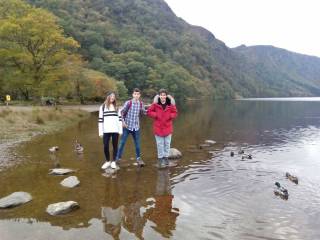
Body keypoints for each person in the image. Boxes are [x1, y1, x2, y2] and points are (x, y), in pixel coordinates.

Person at [115, 88, 146, 167]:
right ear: (133, 95)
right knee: (122, 143)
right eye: (135, 94)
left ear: (139, 95)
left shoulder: (141, 104)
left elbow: (144, 112)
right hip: (127, 126)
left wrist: (154, 111)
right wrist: (122, 122)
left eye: (138, 94)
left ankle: (139, 159)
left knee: (137, 144)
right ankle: (118, 158)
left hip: (136, 127)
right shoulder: (128, 103)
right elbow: (121, 112)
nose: (136, 95)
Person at [147, 89, 178, 168]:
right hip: (158, 128)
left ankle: (166, 157)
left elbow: (175, 113)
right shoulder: (155, 104)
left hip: (168, 128)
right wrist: (156, 115)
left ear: (166, 96)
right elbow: (149, 112)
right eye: (161, 95)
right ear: (159, 96)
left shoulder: (170, 104)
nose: (163, 96)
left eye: (164, 95)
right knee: (160, 144)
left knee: (167, 144)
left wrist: (170, 116)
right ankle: (160, 158)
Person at [99, 91, 123, 169]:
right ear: (108, 96)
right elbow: (100, 120)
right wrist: (100, 131)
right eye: (111, 96)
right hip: (106, 130)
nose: (112, 98)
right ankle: (107, 161)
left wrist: (120, 130)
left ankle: (113, 162)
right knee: (105, 146)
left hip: (115, 130)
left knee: (115, 146)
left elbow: (119, 119)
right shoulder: (102, 107)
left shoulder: (117, 107)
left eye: (114, 96)